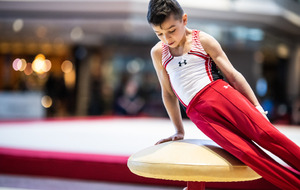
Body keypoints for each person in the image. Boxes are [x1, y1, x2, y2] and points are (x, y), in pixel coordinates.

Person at [147, 0, 300, 189]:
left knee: (266, 135)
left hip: (221, 96)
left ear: (184, 20)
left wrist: (257, 107)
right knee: (247, 154)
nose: (166, 38)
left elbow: (233, 75)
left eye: (171, 30)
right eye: (159, 33)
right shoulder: (158, 53)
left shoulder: (202, 40)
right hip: (198, 114)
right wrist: (179, 130)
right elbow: (168, 92)